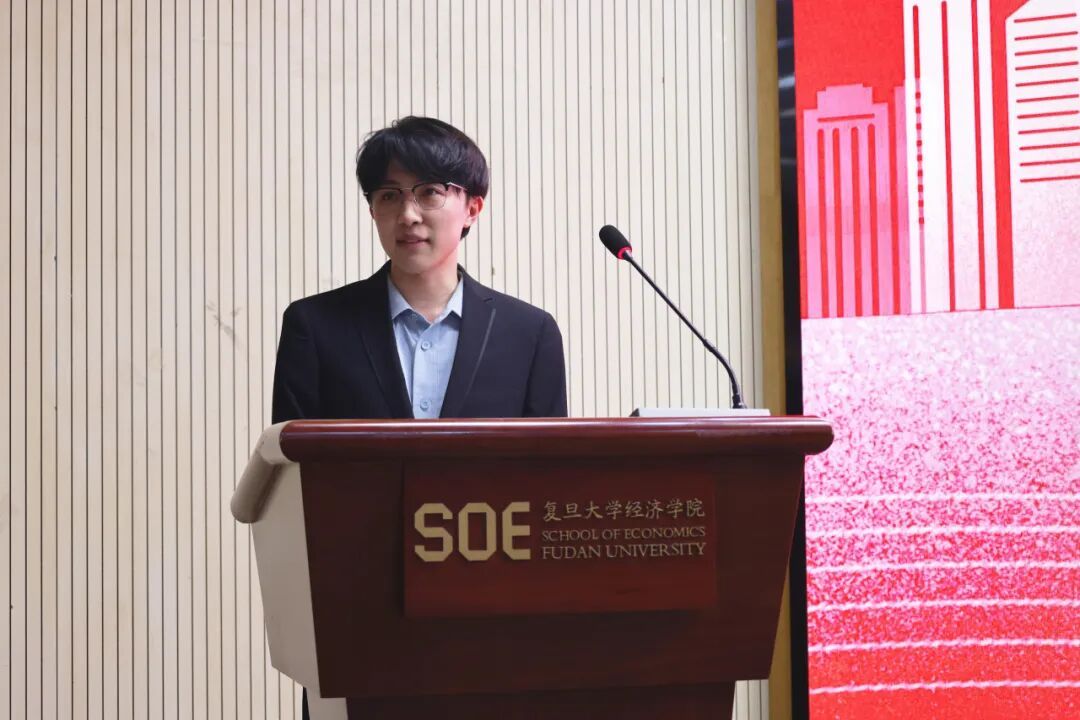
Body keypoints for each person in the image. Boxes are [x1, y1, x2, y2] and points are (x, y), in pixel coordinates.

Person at [269, 116, 568, 717]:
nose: (408, 214)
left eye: (430, 192)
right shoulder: (316, 327)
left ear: (473, 206)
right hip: (355, 623)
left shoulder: (529, 334)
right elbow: (289, 482)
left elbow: (547, 491)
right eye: (388, 196)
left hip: (491, 628)